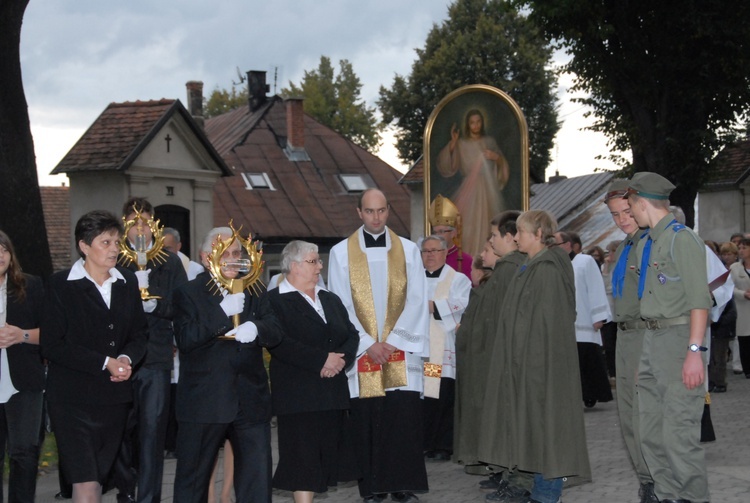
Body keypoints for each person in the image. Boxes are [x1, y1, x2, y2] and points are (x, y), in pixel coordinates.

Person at [477, 210, 590, 503]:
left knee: (548, 429)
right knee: (536, 429)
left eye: (522, 232)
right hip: (527, 364)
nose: (516, 237)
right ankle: (539, 491)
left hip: (542, 367)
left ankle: (547, 495)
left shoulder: (549, 269)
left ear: (538, 234)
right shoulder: (531, 266)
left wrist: (530, 362)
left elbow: (548, 326)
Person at [327, 188, 430, 503]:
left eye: (382, 211)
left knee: (401, 419)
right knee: (368, 418)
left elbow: (417, 299)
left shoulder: (410, 250)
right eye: (369, 211)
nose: (376, 217)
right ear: (359, 212)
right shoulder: (341, 252)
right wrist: (370, 344)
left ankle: (401, 484)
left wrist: (394, 342)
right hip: (365, 353)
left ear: (388, 211)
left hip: (400, 349)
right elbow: (339, 304)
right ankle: (372, 487)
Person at [41, 210, 148, 503]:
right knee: (86, 482)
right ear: (84, 246)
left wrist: (125, 359)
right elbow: (52, 345)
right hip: (71, 401)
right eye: (105, 242)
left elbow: (140, 335)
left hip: (113, 401)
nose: (114, 248)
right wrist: (104, 362)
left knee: (97, 480)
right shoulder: (60, 284)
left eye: (116, 241)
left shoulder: (126, 282)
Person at [171, 226, 282, 503]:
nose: (232, 258)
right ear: (207, 256)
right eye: (225, 253)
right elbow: (185, 339)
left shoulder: (254, 286)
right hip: (205, 401)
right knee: (192, 480)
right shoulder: (188, 292)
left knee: (257, 481)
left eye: (236, 252)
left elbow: (276, 330)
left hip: (250, 399)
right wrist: (222, 312)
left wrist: (256, 328)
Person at [626, 172, 712, 503]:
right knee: (650, 434)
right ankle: (668, 496)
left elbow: (699, 300)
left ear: (642, 203)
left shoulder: (682, 239)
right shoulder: (650, 241)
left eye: (631, 207)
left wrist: (694, 351)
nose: (631, 214)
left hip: (678, 342)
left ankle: (693, 497)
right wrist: (644, 357)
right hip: (653, 342)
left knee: (678, 435)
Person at [266, 240, 359, 503]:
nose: (320, 266)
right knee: (301, 459)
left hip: (331, 392)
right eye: (313, 261)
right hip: (298, 395)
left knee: (324, 457)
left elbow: (350, 334)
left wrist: (339, 361)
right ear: (294, 266)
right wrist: (322, 360)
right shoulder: (274, 301)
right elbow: (279, 342)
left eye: (318, 261)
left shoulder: (329, 298)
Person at [113, 197, 188, 503]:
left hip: (156, 355)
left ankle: (148, 497)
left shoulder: (169, 262)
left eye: (146, 222)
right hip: (120, 355)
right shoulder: (114, 259)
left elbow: (182, 306)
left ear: (155, 225)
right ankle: (126, 486)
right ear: (125, 225)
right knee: (118, 430)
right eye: (135, 223)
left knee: (153, 432)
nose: (141, 228)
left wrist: (157, 304)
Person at [454, 211, 524, 488]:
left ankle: (509, 476)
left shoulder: (505, 274)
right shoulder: (496, 279)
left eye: (491, 240)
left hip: (491, 361)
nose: (486, 251)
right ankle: (499, 472)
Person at [603, 179, 657, 503]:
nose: (622, 219)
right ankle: (646, 479)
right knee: (628, 417)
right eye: (614, 215)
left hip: (644, 336)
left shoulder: (652, 243)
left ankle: (656, 481)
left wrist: (648, 356)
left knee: (646, 416)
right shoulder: (625, 247)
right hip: (625, 336)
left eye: (626, 211)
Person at [0, 230, 45, 502]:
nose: (0, 256)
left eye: (3, 249)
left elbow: (53, 333)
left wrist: (22, 335)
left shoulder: (30, 286)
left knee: (24, 454)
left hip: (24, 382)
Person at [420, 235, 471, 462]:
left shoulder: (457, 279)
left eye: (434, 251)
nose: (429, 255)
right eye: (425, 251)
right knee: (426, 397)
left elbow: (463, 303)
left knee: (442, 395)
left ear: (444, 253)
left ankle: (443, 444)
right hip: (420, 349)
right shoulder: (413, 279)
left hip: (441, 349)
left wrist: (432, 306)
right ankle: (426, 442)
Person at [437, 108, 510, 256]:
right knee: (467, 225)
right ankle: (468, 259)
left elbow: (502, 165)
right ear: (468, 125)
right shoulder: (461, 144)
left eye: (478, 122)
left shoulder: (489, 142)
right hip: (469, 190)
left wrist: (496, 157)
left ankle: (488, 257)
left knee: (487, 223)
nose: (475, 125)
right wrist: (453, 142)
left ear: (482, 123)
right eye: (472, 123)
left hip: (488, 189)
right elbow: (446, 165)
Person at [554, 231, 612, 408]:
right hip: (563, 322)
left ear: (567, 245)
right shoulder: (555, 264)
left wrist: (599, 315)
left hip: (585, 318)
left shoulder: (585, 262)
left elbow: (595, 288)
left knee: (586, 359)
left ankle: (590, 394)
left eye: (556, 244)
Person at [427, 195, 473, 279]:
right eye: (434, 232)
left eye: (441, 232)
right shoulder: (427, 258)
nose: (437, 236)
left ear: (453, 233)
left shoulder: (466, 261)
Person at [599, 239, 622, 379]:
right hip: (608, 311)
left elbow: (616, 288)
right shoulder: (604, 267)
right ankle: (612, 372)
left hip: (618, 309)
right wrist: (606, 269)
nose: (610, 255)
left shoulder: (623, 266)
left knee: (618, 343)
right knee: (609, 344)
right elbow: (603, 285)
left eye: (612, 251)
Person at [729, 237, 750, 378]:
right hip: (742, 308)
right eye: (740, 248)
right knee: (744, 340)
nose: (741, 251)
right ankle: (747, 369)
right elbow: (729, 288)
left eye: (744, 248)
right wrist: (743, 293)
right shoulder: (734, 268)